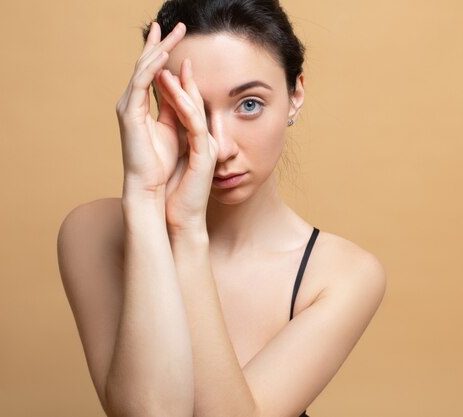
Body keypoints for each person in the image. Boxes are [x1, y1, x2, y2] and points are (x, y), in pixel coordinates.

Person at [56, 0, 387, 416]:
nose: (218, 147)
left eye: (249, 104)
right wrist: (144, 195)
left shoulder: (343, 275)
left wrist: (187, 232)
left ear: (295, 94)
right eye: (186, 108)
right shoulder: (91, 233)